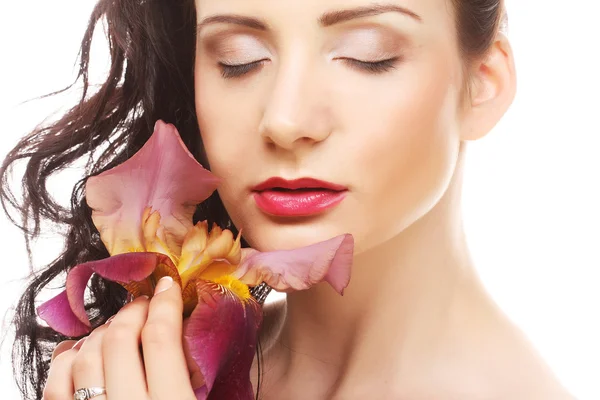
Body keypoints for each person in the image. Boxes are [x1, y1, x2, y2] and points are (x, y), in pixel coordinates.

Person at [0, 0, 576, 399]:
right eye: (238, 59)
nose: (285, 118)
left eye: (366, 53)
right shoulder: (157, 364)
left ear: (483, 84)